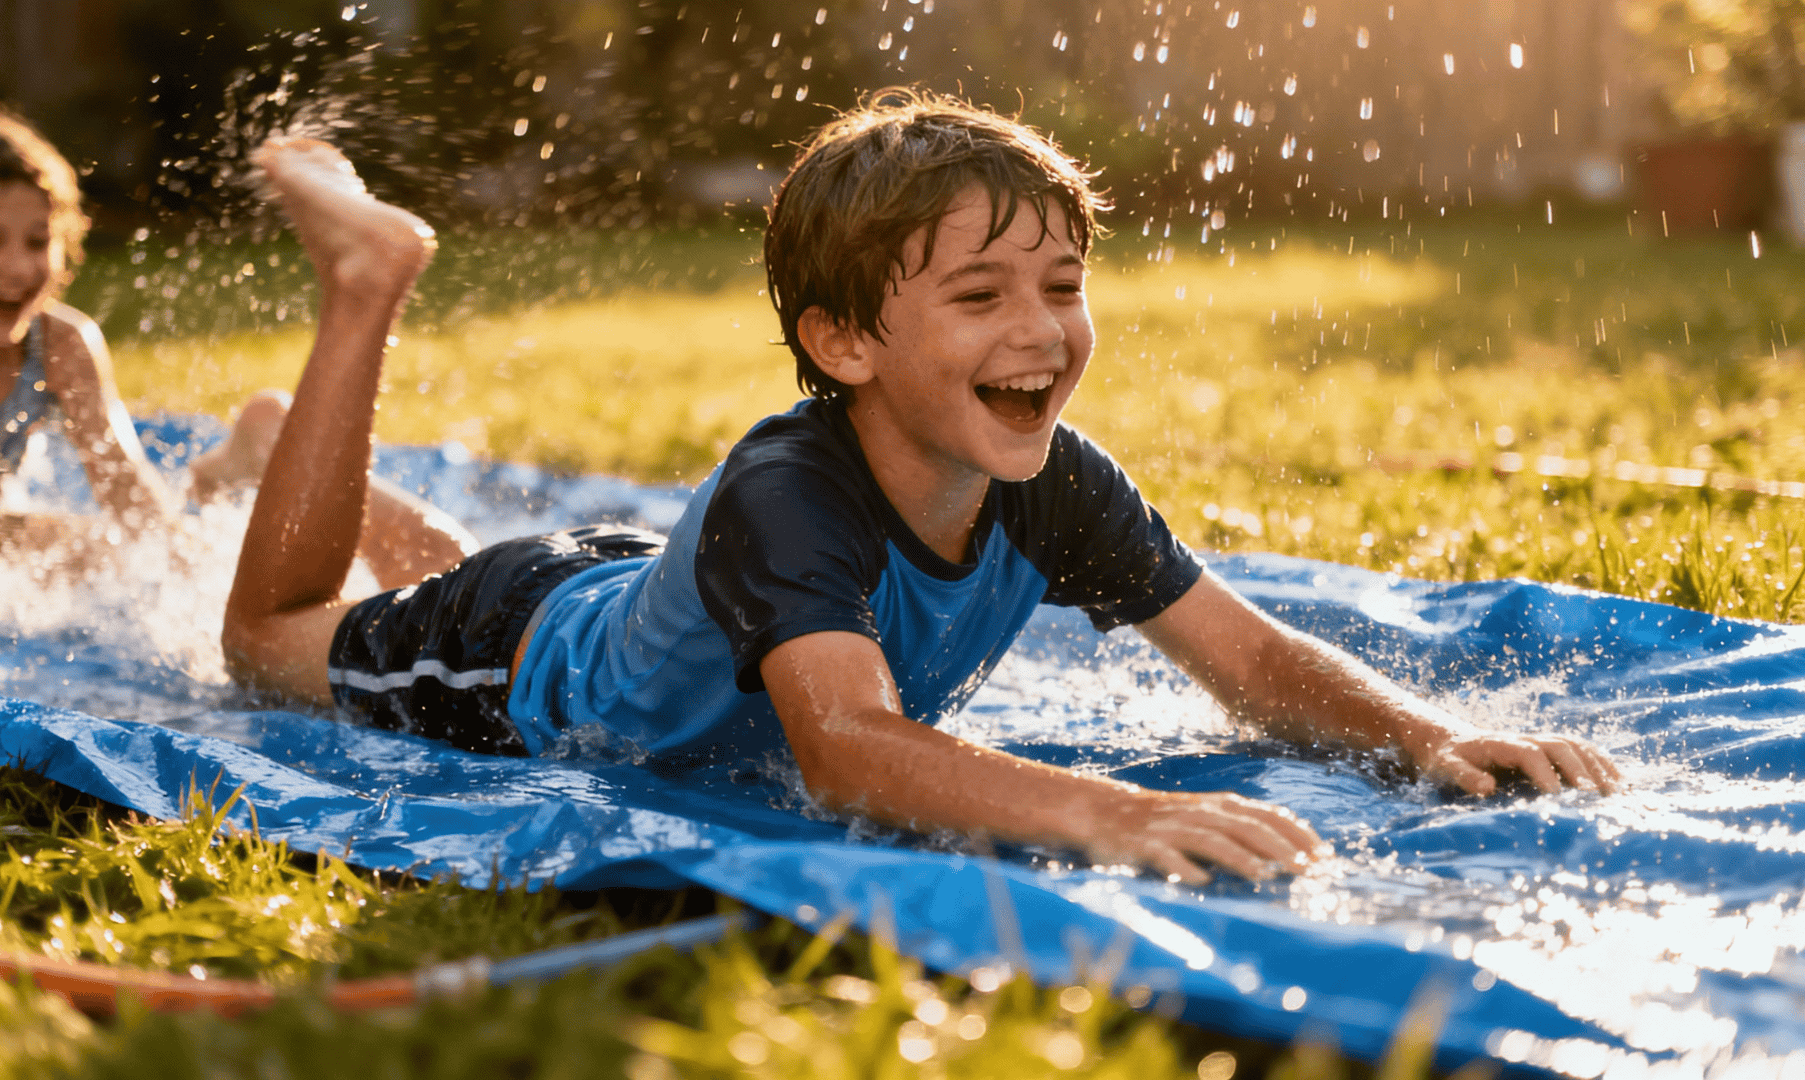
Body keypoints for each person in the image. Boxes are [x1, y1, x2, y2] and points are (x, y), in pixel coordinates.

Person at [222, 92, 1621, 886]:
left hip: (634, 580)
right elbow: (845, 750)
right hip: (506, 657)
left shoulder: (1053, 478)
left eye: (1063, 287)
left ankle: (299, 453)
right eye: (980, 295)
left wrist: (1423, 737)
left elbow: (1247, 657)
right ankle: (361, 295)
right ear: (843, 343)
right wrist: (1110, 812)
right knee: (268, 639)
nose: (1041, 332)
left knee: (496, 566)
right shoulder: (788, 490)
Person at [0, 112, 474, 591]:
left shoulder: (60, 346)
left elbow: (127, 491)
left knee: (104, 553)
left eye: (39, 242)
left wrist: (173, 571)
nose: (19, 267)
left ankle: (229, 476)